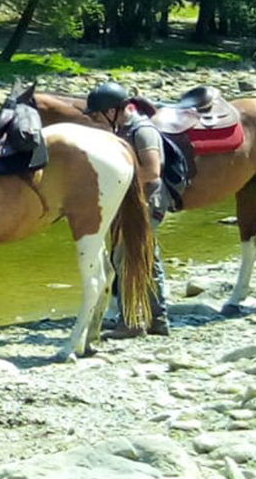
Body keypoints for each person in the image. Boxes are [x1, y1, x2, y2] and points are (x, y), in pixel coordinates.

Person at [86, 81, 172, 336]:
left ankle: (132, 322)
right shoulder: (122, 130)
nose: (93, 120)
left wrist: (112, 181)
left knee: (125, 258)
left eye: (96, 115)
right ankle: (157, 319)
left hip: (147, 202)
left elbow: (152, 171)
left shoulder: (142, 131)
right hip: (134, 202)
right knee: (146, 258)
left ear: (112, 111)